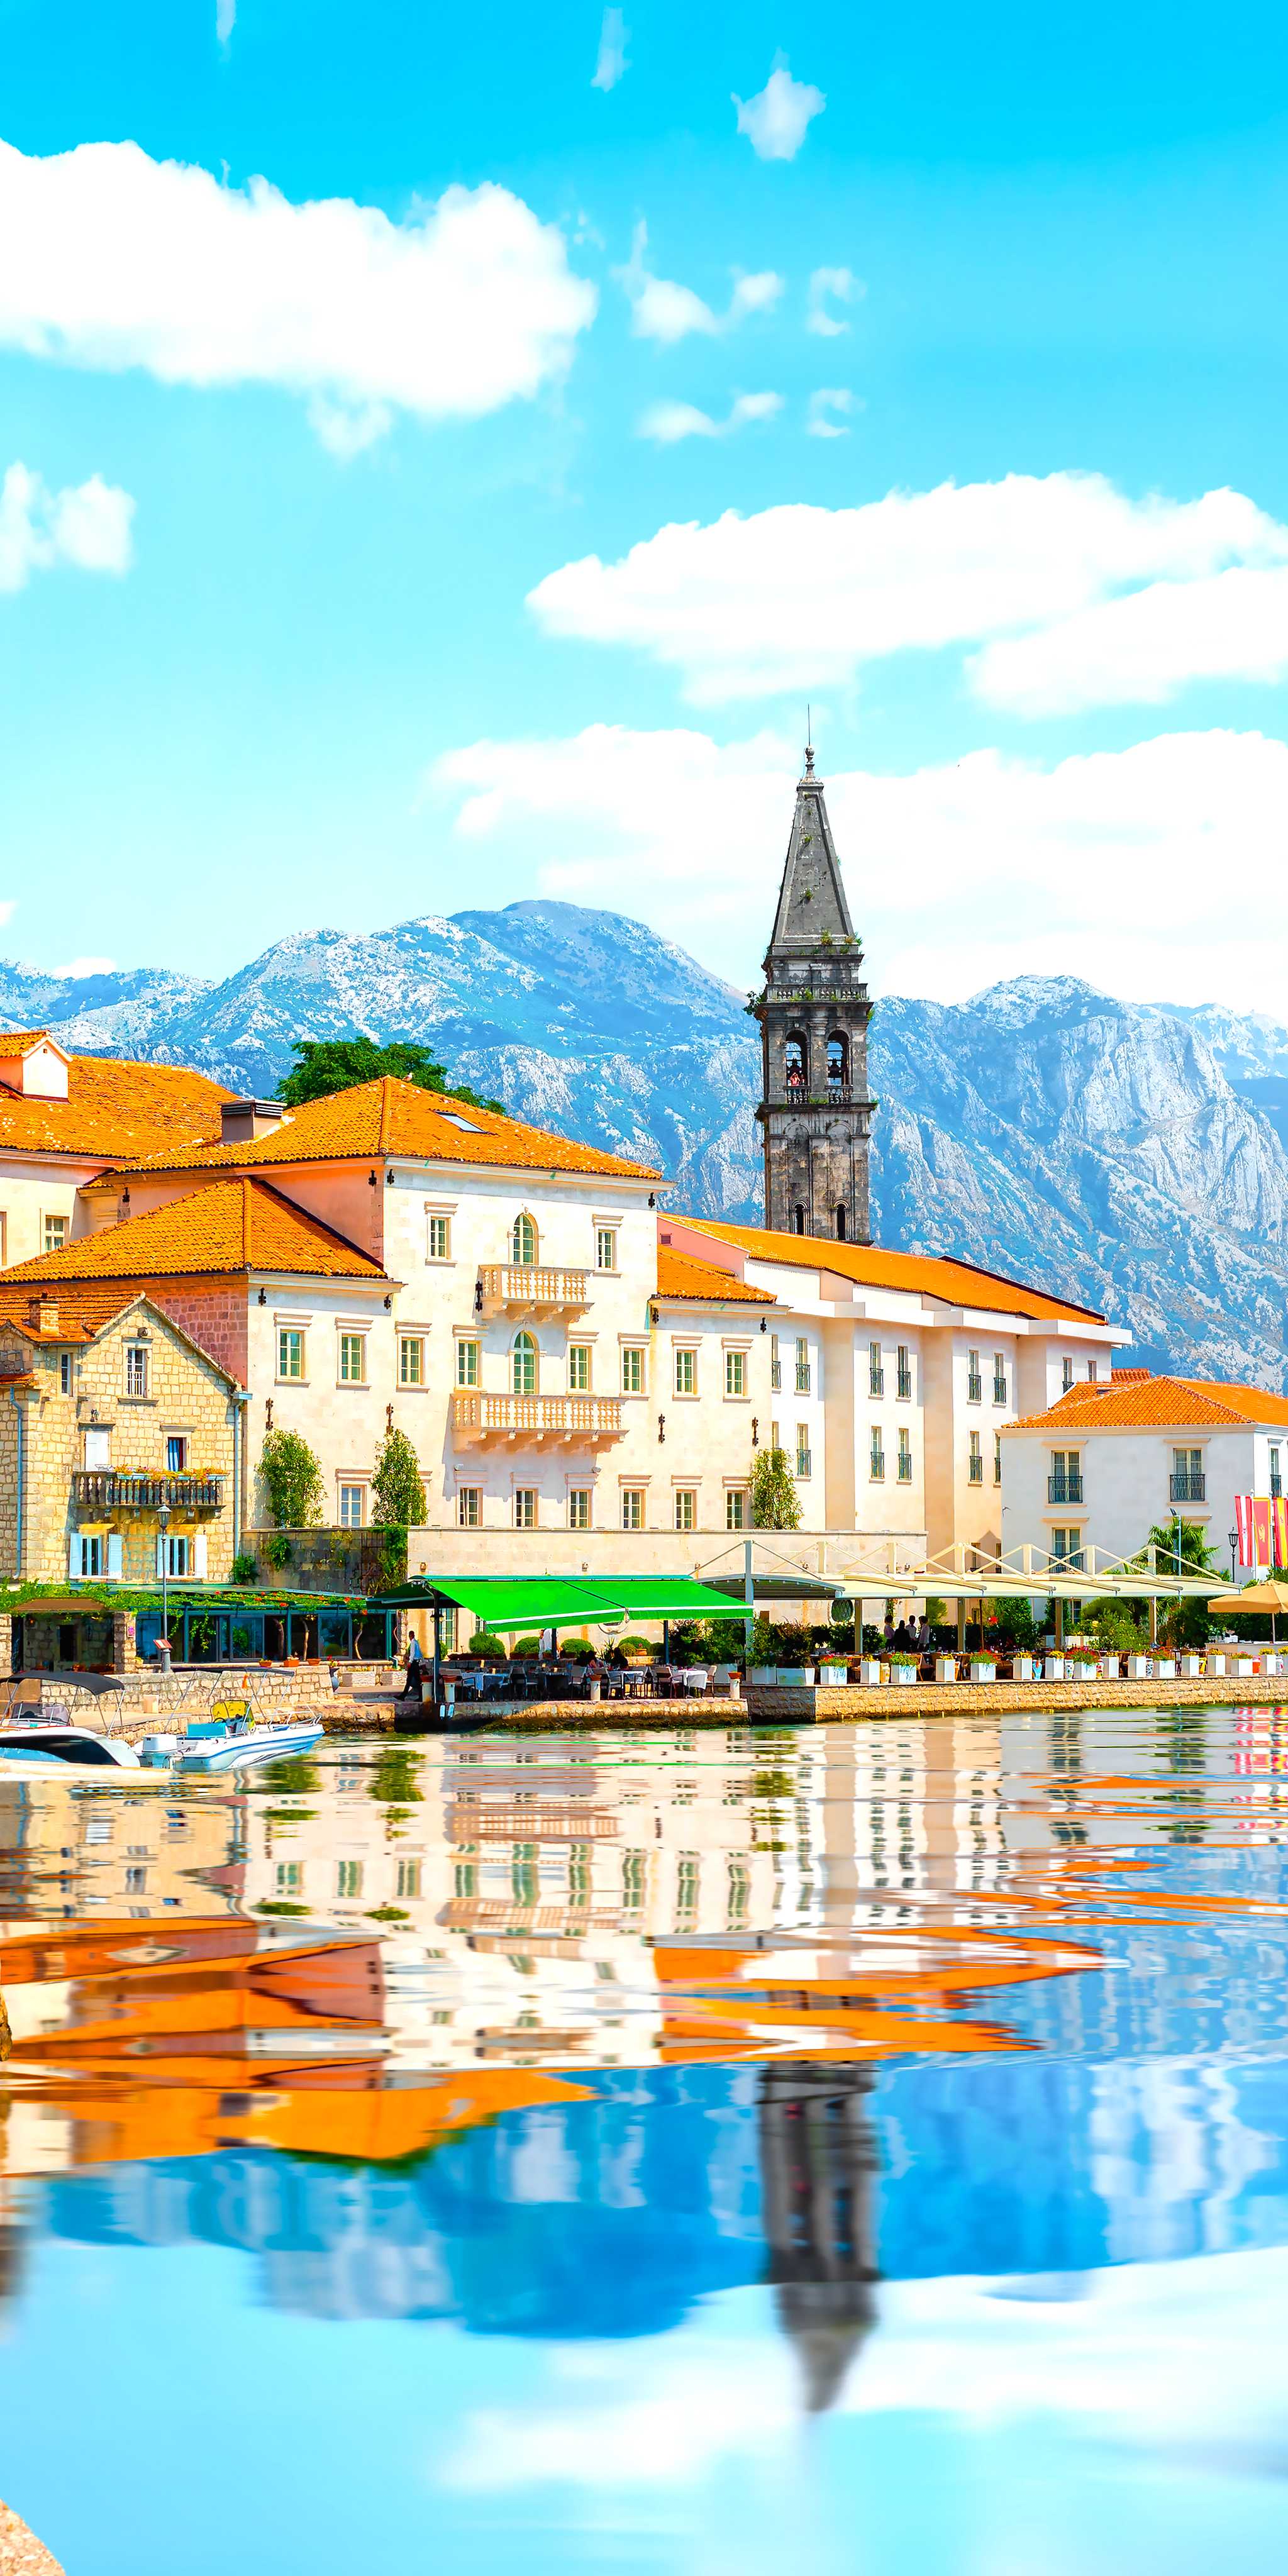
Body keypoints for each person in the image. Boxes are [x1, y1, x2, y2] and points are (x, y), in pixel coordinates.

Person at [399, 1633, 425, 1699]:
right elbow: (421, 1653)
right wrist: (423, 1662)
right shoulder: (417, 1643)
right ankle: (404, 1695)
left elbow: (412, 1653)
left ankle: (404, 1696)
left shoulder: (413, 1643)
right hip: (417, 1663)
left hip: (413, 1663)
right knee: (416, 1680)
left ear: (410, 1636)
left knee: (412, 1680)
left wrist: (410, 1662)